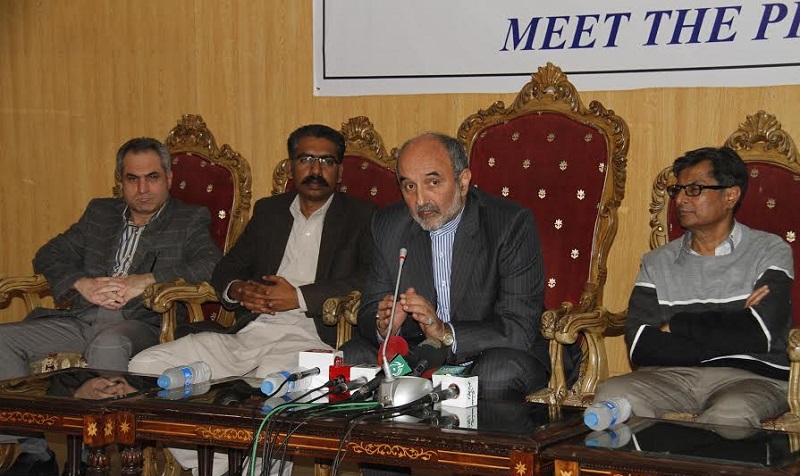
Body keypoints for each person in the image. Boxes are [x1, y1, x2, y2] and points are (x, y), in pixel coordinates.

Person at [128, 124, 375, 475]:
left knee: (275, 402)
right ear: (291, 165)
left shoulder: (363, 216)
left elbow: (369, 278)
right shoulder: (270, 211)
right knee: (144, 368)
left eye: (326, 161)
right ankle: (218, 468)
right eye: (306, 159)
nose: (316, 170)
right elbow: (227, 266)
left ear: (340, 170)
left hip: (312, 340)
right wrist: (240, 290)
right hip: (249, 335)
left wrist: (299, 297)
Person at [0, 137, 221, 475]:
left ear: (169, 179)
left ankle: (92, 461)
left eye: (153, 177)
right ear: (121, 181)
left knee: (109, 342)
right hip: (80, 316)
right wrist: (81, 283)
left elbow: (210, 265)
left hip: (142, 322)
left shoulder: (188, 219)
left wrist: (144, 280)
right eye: (133, 179)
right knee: (3, 339)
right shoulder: (99, 213)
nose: (143, 188)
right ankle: (35, 450)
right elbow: (48, 254)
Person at [594, 146, 794, 429]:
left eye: (694, 189)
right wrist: (734, 330)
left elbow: (761, 332)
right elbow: (641, 347)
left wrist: (677, 325)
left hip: (750, 378)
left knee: (731, 416)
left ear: (730, 195)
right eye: (678, 190)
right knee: (611, 395)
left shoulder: (769, 250)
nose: (680, 200)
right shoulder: (657, 262)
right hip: (671, 378)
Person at [341, 132, 550, 400]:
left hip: (490, 352)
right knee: (351, 358)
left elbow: (518, 328)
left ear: (463, 182)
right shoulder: (388, 225)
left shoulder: (509, 224)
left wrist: (444, 332)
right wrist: (385, 326)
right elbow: (370, 310)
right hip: (420, 357)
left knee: (496, 373)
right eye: (409, 186)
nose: (420, 200)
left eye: (433, 182)